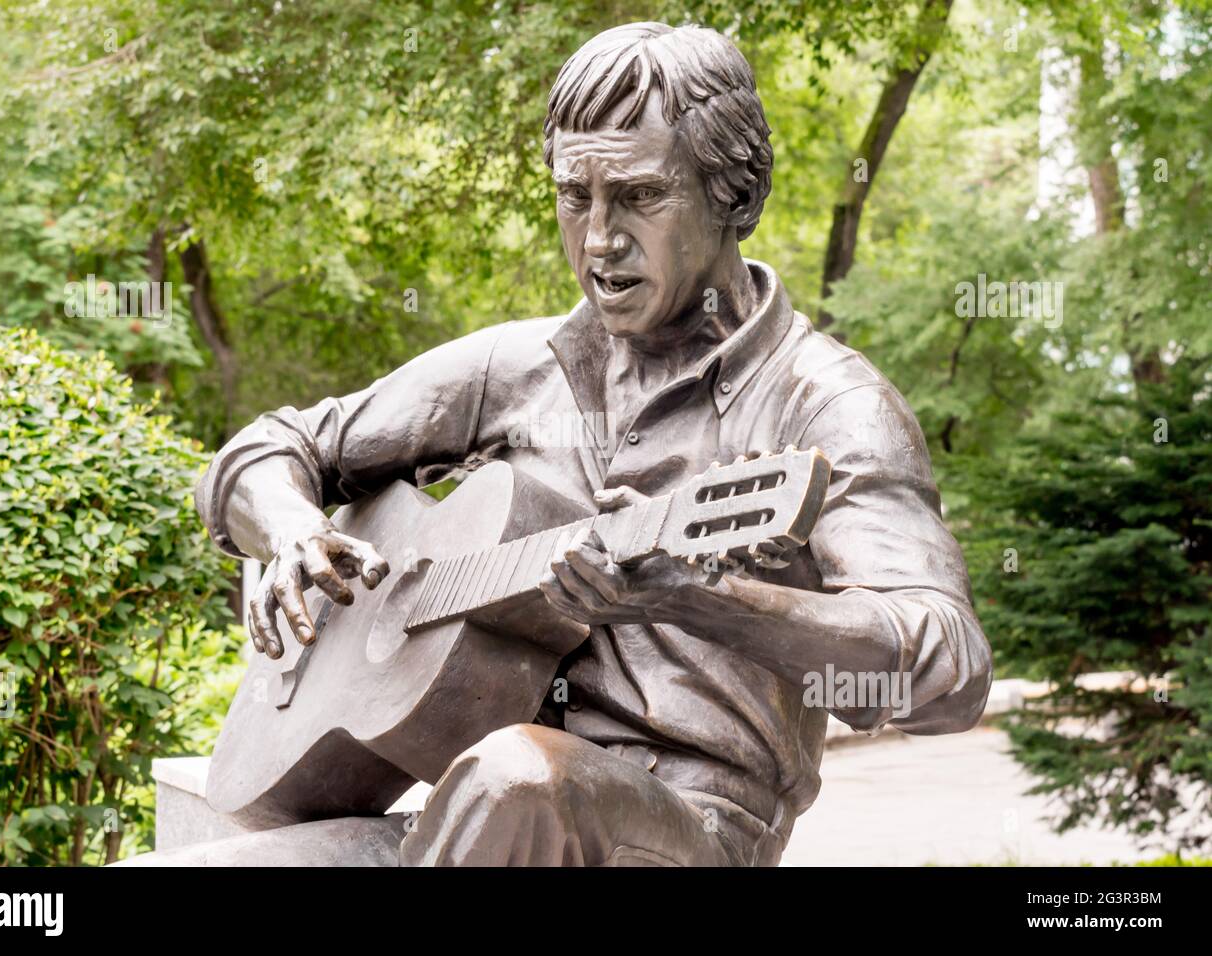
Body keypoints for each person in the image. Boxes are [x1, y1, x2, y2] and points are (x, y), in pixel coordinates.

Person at [195, 21, 992, 866]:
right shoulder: (518, 367)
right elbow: (270, 449)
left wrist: (703, 600)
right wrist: (286, 528)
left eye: (640, 195)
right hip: (465, 824)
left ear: (738, 199)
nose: (600, 239)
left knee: (522, 776)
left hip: (685, 829)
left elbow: (947, 665)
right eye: (576, 196)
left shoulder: (827, 401)